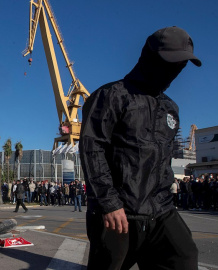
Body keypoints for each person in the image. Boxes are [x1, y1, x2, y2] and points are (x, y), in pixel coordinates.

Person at [80, 26, 200, 270]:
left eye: (182, 64)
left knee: (184, 256)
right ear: (150, 57)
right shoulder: (111, 96)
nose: (177, 70)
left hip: (160, 211)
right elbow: (93, 150)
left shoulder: (171, 109)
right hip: (118, 214)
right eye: (172, 62)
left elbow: (162, 162)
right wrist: (109, 203)